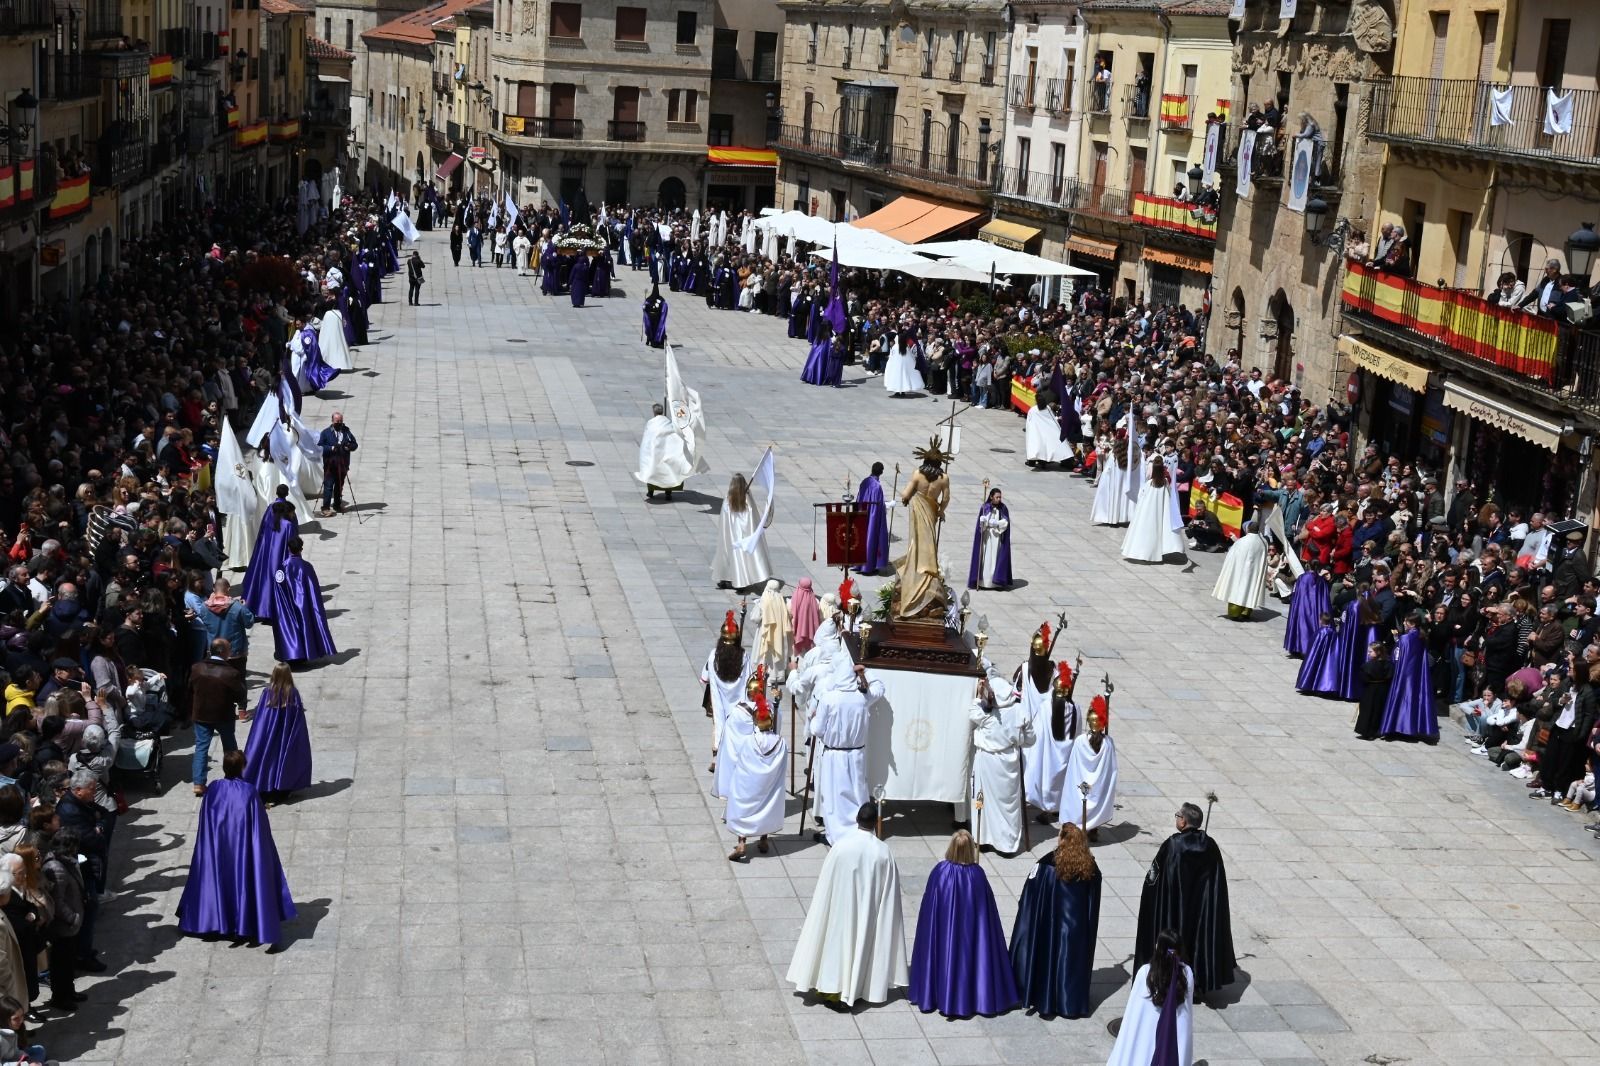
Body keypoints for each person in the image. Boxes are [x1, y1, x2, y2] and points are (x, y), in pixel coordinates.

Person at [786, 801, 907, 1007]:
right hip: (868, 910)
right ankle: (855, 989)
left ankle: (831, 988)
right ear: (876, 823)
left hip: (841, 908)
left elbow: (826, 881)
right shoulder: (883, 851)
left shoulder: (841, 846)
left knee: (836, 946)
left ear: (856, 820)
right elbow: (890, 892)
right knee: (860, 945)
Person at [176, 750, 296, 946]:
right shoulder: (249, 791)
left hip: (218, 847)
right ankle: (242, 925)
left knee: (217, 879)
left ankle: (216, 922)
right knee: (242, 881)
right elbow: (259, 827)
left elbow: (207, 820)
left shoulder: (214, 788)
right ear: (242, 767)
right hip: (241, 848)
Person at [908, 830, 1019, 1018]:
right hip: (971, 933)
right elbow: (987, 913)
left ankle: (940, 996)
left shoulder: (940, 871)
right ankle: (974, 998)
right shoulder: (977, 874)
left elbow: (930, 909)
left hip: (945, 932)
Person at [1135, 803, 1236, 997]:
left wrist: (1150, 894)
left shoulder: (1173, 844)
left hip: (1175, 906)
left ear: (1183, 821)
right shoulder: (1210, 845)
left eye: (1177, 815)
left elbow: (1154, 875)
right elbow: (1216, 881)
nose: (1176, 818)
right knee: (1198, 938)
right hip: (1201, 909)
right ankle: (1198, 983)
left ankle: (1171, 980)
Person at [1009, 823, 1103, 1019]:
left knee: (1048, 963)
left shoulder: (1046, 864)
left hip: (1050, 925)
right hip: (1075, 929)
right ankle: (1068, 1004)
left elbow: (1030, 894)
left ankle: (1046, 1000)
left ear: (1061, 839)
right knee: (1069, 966)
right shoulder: (1090, 867)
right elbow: (1093, 901)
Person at [805, 655, 881, 845]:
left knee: (834, 797)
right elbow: (880, 688)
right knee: (857, 793)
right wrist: (865, 672)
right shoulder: (862, 697)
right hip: (857, 754)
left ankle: (836, 836)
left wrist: (813, 717)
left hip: (835, 754)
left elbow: (817, 729)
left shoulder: (829, 699)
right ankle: (860, 831)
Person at [721, 669, 787, 862]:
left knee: (742, 806)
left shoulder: (749, 741)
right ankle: (764, 839)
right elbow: (782, 763)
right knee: (767, 805)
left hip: (749, 783)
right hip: (769, 782)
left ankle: (742, 843)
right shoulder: (781, 742)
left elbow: (741, 760)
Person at [966, 665, 1033, 854]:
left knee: (983, 800)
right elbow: (1030, 740)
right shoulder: (1020, 712)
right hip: (1009, 762)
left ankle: (982, 839)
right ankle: (1007, 845)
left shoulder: (985, 714)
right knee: (1008, 805)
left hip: (987, 761)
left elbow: (973, 709)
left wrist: (980, 695)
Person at [1106, 930, 1194, 1066]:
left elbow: (1133, 1014)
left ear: (1158, 948)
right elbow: (1186, 1016)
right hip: (1173, 1039)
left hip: (1145, 1039)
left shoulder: (1146, 973)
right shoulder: (1186, 973)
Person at [893, 437, 952, 619]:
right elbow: (947, 498)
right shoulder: (943, 478)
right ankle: (926, 570)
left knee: (916, 542)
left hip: (918, 511)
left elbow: (906, 493)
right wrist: (940, 510)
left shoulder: (918, 474)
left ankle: (916, 570)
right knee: (929, 543)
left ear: (925, 459)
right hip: (931, 512)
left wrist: (904, 498)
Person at [1018, 630, 1074, 818]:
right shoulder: (1025, 670)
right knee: (1033, 768)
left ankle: (1049, 805)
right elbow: (1017, 694)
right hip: (1031, 727)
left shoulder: (1055, 674)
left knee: (1048, 770)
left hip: (1051, 730)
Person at [242, 663, 313, 806]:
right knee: (281, 760)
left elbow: (261, 718)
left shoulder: (267, 693)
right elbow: (297, 718)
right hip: (284, 736)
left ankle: (263, 788)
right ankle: (280, 789)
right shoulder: (293, 693)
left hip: (267, 734)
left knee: (266, 759)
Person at [189, 638, 247, 796]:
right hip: (224, 716)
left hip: (201, 715)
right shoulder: (230, 673)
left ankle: (199, 783)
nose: (231, 651)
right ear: (222, 652)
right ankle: (235, 776)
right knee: (230, 749)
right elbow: (240, 694)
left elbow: (190, 688)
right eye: (229, 648)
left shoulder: (197, 668)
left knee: (201, 748)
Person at [270, 537, 337, 665]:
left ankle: (292, 653)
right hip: (304, 605)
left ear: (288, 549)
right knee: (305, 626)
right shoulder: (307, 567)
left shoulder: (282, 567)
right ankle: (306, 652)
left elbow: (277, 590)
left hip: (287, 604)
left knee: (290, 627)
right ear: (301, 549)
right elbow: (313, 590)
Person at [1060, 698, 1118, 838]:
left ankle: (1079, 826)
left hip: (1081, 784)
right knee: (1098, 794)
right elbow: (1110, 771)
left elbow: (1074, 769)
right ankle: (1093, 827)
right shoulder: (1108, 743)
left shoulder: (1080, 741)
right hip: (1096, 789)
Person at [701, 611, 750, 777]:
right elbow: (749, 679)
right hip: (738, 701)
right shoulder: (743, 655)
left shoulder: (714, 655)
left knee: (717, 724)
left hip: (719, 700)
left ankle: (716, 759)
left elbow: (705, 677)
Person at [240, 486, 298, 622]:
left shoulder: (270, 510)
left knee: (264, 578)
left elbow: (261, 530)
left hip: (266, 552)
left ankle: (261, 608)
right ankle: (275, 611)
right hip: (281, 554)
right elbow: (293, 538)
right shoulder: (288, 524)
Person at [1379, 612, 1437, 741]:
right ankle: (1412, 727)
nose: (1404, 623)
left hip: (1403, 674)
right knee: (1413, 699)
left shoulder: (1405, 638)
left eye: (1406, 622)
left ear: (1413, 624)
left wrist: (1394, 648)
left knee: (1401, 698)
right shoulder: (1421, 637)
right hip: (1416, 674)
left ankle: (1398, 726)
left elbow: (1397, 656)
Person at [710, 472, 772, 590]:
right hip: (742, 535)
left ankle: (725, 579)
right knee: (741, 557)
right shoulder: (747, 500)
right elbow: (751, 518)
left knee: (727, 555)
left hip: (730, 536)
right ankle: (740, 581)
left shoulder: (728, 500)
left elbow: (725, 519)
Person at [1121, 456, 1185, 563]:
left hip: (1147, 513)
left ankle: (1145, 552)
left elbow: (1141, 497)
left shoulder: (1148, 484)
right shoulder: (1165, 483)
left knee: (1147, 532)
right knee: (1159, 531)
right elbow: (1169, 497)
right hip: (1161, 513)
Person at [1212, 520, 1269, 619]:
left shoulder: (1243, 541)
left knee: (1238, 591)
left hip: (1242, 572)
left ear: (1248, 529)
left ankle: (1235, 614)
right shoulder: (1263, 542)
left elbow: (1233, 556)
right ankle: (1246, 612)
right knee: (1250, 590)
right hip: (1255, 573)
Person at [968, 486, 1013, 590]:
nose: (999, 499)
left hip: (997, 537)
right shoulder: (985, 507)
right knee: (986, 559)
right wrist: (983, 521)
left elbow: (1006, 522)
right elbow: (981, 527)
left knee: (995, 558)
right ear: (991, 497)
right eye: (997, 497)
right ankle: (984, 582)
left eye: (1000, 497)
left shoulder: (1003, 508)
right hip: (987, 537)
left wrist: (997, 523)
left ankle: (996, 582)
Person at [316, 411, 358, 517]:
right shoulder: (325, 433)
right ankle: (325, 507)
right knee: (328, 486)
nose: (339, 423)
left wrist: (348, 446)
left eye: (341, 421)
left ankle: (337, 504)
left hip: (343, 464)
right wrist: (331, 448)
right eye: (337, 421)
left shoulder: (346, 431)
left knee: (339, 485)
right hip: (330, 464)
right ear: (332, 421)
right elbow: (320, 447)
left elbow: (354, 444)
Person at [1352, 640, 1395, 740]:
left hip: (1370, 690)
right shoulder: (1389, 665)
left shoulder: (1368, 666)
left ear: (1378, 652)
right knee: (1378, 711)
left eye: (1370, 651)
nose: (1368, 653)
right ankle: (1377, 731)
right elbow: (1390, 677)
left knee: (1368, 711)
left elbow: (1363, 679)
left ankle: (1366, 731)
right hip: (1383, 690)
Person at [1283, 567, 1330, 657]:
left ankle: (1301, 648)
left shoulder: (1303, 577)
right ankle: (1307, 649)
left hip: (1303, 605)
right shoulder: (1321, 580)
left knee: (1302, 626)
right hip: (1315, 607)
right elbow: (1324, 597)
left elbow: (1297, 592)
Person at [855, 462, 890, 575]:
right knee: (871, 539)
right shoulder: (877, 486)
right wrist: (888, 505)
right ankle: (868, 567)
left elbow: (859, 497)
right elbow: (879, 504)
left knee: (862, 538)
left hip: (863, 513)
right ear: (881, 472)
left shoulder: (865, 481)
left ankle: (859, 564)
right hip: (873, 516)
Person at [1025, 394, 1072, 466]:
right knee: (1045, 446)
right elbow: (1053, 420)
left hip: (1036, 431)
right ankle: (1042, 461)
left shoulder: (1033, 410)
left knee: (1035, 445)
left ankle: (1032, 461)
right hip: (1046, 430)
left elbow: (1029, 422)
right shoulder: (1047, 408)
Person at [642, 281, 669, 348]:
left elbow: (663, 307)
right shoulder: (655, 299)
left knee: (653, 329)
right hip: (654, 318)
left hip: (654, 318)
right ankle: (653, 341)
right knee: (653, 329)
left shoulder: (653, 299)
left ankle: (653, 341)